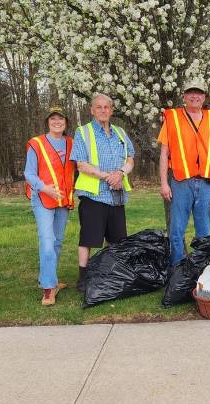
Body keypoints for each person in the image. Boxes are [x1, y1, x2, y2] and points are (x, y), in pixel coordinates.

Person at [70, 93, 135, 291]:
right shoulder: (83, 132)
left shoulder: (120, 132)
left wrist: (121, 173)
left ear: (112, 110)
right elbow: (81, 164)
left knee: (116, 240)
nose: (103, 110)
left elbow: (131, 159)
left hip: (117, 196)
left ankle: (111, 274)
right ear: (92, 110)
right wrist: (108, 176)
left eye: (107, 107)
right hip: (94, 195)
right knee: (89, 238)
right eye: (98, 107)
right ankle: (83, 278)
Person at [158, 78, 210, 266]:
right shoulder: (172, 118)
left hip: (206, 184)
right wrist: (164, 183)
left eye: (198, 93)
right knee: (176, 230)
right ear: (184, 97)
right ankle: (177, 271)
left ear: (204, 97)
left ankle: (203, 269)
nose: (194, 96)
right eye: (190, 93)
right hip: (181, 182)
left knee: (204, 231)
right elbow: (164, 152)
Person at [24, 106, 75, 306]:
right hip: (43, 199)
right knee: (47, 241)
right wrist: (45, 188)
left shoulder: (71, 143)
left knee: (57, 242)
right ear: (48, 122)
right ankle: (47, 289)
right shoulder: (36, 144)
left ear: (66, 123)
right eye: (53, 119)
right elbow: (29, 174)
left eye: (60, 119)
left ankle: (49, 278)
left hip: (62, 200)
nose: (57, 122)